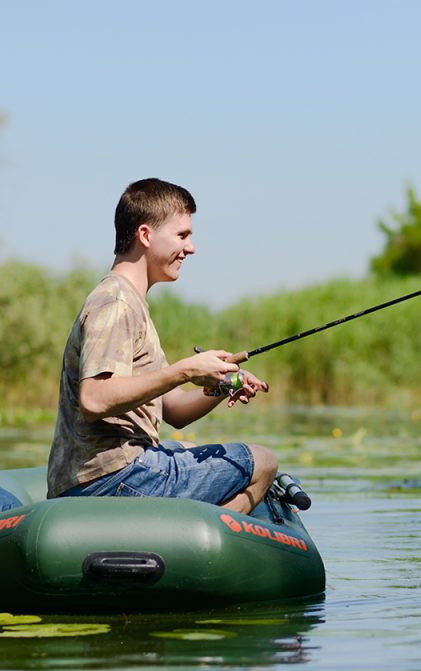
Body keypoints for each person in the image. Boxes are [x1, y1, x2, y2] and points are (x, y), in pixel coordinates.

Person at [46, 178, 276, 514]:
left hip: (116, 474)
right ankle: (201, 551)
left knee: (180, 446)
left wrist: (221, 385)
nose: (192, 247)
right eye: (182, 235)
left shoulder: (132, 304)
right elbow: (94, 399)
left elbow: (173, 411)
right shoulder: (116, 302)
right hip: (108, 479)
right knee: (264, 461)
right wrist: (185, 370)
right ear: (145, 235)